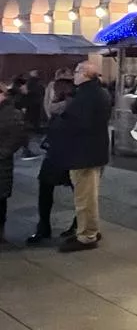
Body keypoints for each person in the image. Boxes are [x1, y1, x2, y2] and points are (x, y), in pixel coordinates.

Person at [50, 61, 112, 253]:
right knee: (88, 196)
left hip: (84, 153)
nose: (73, 75)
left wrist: (59, 123)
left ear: (85, 74)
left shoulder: (86, 96)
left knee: (84, 197)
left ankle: (87, 236)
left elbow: (78, 123)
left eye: (77, 71)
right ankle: (89, 229)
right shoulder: (97, 92)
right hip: (91, 151)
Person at [26, 76, 77, 245]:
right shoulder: (62, 107)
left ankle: (46, 227)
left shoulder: (69, 107)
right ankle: (48, 226)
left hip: (65, 154)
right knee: (53, 188)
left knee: (70, 191)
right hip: (60, 153)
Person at [0, 83, 29, 243]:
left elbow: (17, 137)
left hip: (2, 164)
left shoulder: (12, 113)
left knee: (0, 199)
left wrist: (2, 153)